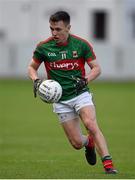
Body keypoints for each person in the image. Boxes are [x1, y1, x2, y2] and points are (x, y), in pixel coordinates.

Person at [28, 11, 117, 174]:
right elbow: (32, 67)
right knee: (76, 143)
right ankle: (88, 143)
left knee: (90, 124)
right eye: (51, 29)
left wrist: (86, 80)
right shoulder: (44, 47)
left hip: (80, 93)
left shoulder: (81, 45)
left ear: (68, 28)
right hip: (61, 100)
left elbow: (96, 68)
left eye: (58, 29)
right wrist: (35, 80)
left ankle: (108, 165)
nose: (54, 33)